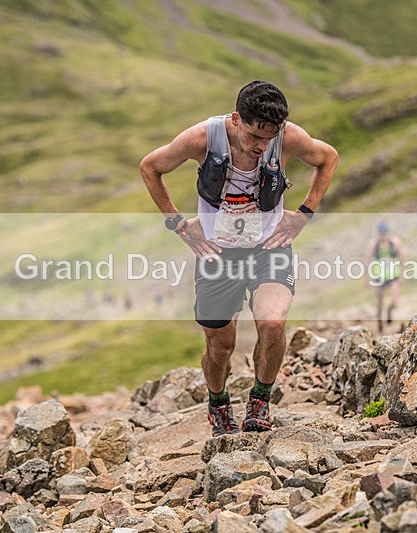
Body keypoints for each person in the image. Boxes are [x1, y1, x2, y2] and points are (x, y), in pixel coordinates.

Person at [140, 81, 338, 436]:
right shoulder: (202, 138)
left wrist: (304, 213)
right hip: (218, 253)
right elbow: (150, 167)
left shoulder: (289, 137)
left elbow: (328, 158)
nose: (262, 146)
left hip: (269, 248)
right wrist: (178, 224)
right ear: (236, 119)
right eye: (255, 136)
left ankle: (260, 402)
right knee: (220, 347)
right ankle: (218, 402)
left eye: (269, 137)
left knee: (272, 323)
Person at [367, 222, 404, 333]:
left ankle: (389, 311)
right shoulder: (373, 245)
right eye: (381, 233)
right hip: (379, 276)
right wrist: (367, 278)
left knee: (394, 300)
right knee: (379, 303)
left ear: (388, 232)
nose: (383, 235)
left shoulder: (395, 242)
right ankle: (379, 323)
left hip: (393, 275)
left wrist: (402, 274)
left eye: (384, 233)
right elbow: (368, 261)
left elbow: (402, 257)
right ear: (378, 233)